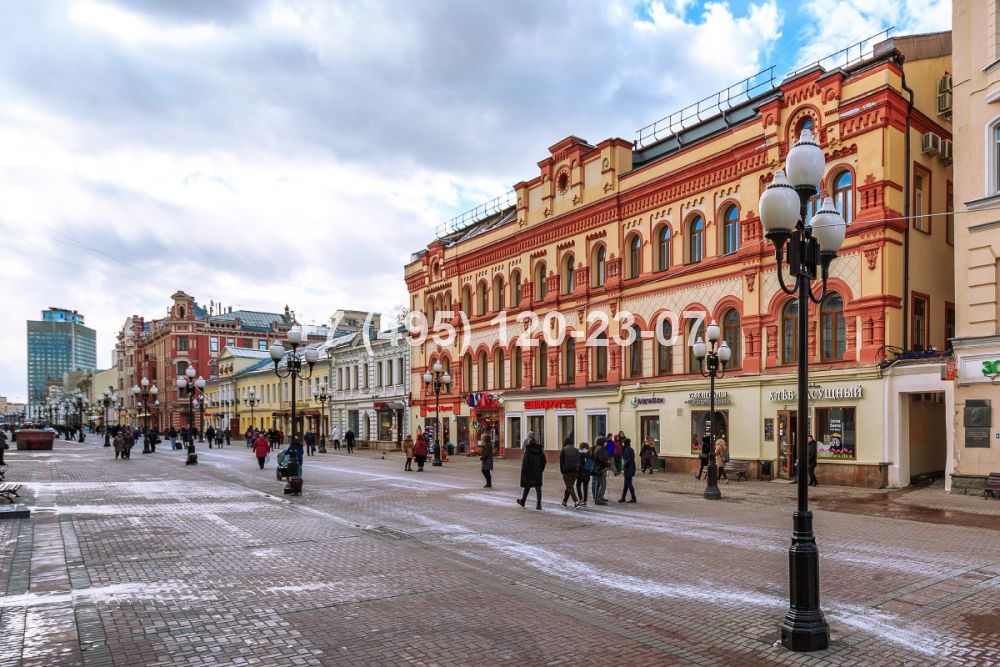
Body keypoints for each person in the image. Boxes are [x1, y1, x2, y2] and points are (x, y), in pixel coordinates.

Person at [517, 436, 546, 510]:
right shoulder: (540, 451)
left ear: (529, 443)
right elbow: (544, 461)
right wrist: (541, 469)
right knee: (538, 487)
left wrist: (523, 472)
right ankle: (539, 504)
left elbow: (525, 463)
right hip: (538, 471)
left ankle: (523, 501)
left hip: (529, 472)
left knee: (527, 486)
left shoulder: (527, 452)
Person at [559, 436, 581, 508]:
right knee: (569, 487)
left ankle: (576, 502)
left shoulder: (563, 450)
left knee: (569, 486)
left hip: (566, 471)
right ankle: (564, 502)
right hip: (575, 471)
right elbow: (579, 460)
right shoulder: (576, 450)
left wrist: (562, 471)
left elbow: (561, 462)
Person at [591, 437, 610, 505]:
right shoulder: (601, 449)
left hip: (596, 468)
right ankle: (599, 499)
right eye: (605, 442)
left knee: (598, 484)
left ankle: (597, 498)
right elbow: (602, 459)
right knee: (603, 485)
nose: (606, 443)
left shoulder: (596, 448)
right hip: (600, 469)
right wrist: (607, 463)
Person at [619, 438, 637, 503]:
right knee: (626, 484)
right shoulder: (631, 449)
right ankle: (623, 497)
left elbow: (627, 460)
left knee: (629, 483)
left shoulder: (626, 450)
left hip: (628, 468)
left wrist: (624, 467)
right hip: (632, 467)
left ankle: (633, 497)